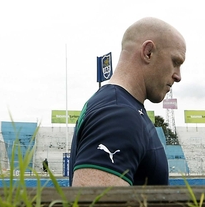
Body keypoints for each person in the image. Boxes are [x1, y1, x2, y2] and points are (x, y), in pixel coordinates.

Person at [69, 17, 186, 186]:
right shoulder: (118, 114)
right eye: (175, 62)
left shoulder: (119, 105)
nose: (178, 76)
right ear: (148, 52)